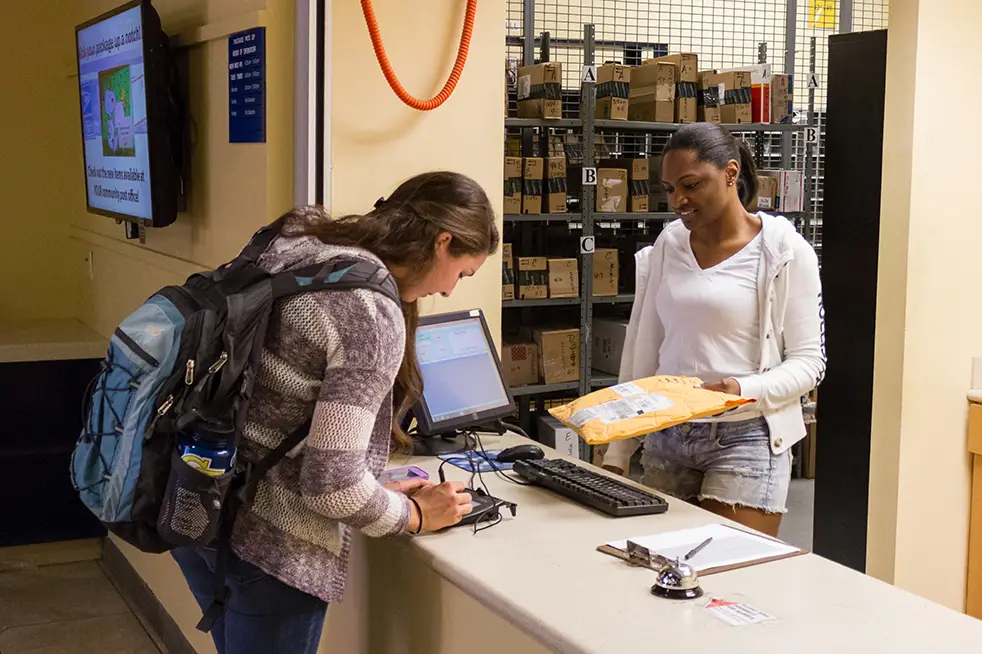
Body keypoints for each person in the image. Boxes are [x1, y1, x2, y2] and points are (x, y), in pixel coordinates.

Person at [172, 171, 499, 654]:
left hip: (195, 498)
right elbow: (331, 489)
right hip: (268, 543)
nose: (451, 292)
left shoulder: (302, 242)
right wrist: (414, 514)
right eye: (462, 272)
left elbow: (273, 400)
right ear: (442, 241)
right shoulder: (368, 312)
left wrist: (370, 484)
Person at [602, 123, 825, 537]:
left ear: (730, 173)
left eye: (691, 184)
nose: (679, 201)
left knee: (727, 577)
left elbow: (810, 364)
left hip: (747, 435)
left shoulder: (785, 252)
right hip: (667, 432)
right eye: (669, 189)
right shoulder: (669, 244)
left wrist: (740, 389)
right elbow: (643, 347)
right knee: (658, 575)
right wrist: (619, 445)